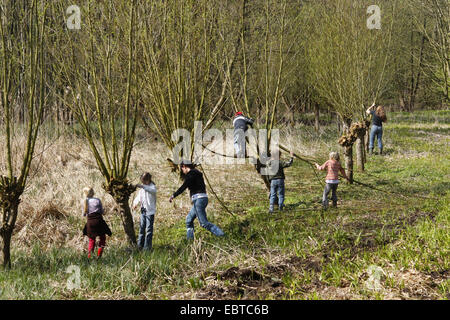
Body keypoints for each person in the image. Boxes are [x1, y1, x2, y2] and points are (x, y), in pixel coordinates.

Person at [169, 161, 225, 240]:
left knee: (203, 223)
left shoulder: (190, 174)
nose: (182, 171)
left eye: (182, 169)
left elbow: (183, 187)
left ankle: (221, 235)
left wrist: (173, 195)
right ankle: (190, 240)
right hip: (202, 199)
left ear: (184, 166)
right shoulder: (197, 173)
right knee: (189, 219)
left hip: (198, 200)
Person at [261, 149, 294, 213]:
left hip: (273, 181)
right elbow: (289, 163)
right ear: (278, 156)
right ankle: (280, 207)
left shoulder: (268, 163)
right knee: (281, 194)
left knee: (272, 195)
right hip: (280, 180)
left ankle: (271, 208)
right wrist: (291, 156)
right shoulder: (280, 162)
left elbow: (267, 173)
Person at [82, 187, 112, 258]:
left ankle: (89, 256)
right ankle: (99, 255)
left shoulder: (84, 202)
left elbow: (83, 214)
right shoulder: (97, 200)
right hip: (99, 221)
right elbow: (102, 211)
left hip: (90, 222)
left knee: (91, 240)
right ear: (93, 192)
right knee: (102, 238)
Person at [132, 172, 157, 251]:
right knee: (142, 228)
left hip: (150, 212)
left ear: (148, 180)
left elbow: (152, 190)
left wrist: (143, 186)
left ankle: (147, 247)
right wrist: (135, 203)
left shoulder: (152, 187)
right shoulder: (142, 189)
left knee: (149, 229)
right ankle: (140, 245)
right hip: (143, 211)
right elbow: (138, 197)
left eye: (144, 181)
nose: (143, 183)